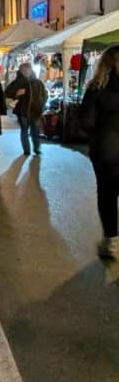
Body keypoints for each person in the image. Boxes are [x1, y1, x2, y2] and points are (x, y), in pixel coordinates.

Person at [79, 44, 119, 259]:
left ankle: (111, 240)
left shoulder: (96, 88)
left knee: (107, 194)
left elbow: (86, 121)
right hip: (107, 149)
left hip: (106, 150)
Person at [5, 62, 47, 156]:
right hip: (22, 111)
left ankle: (36, 148)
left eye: (27, 70)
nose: (26, 72)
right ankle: (26, 150)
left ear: (31, 70)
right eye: (23, 70)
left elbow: (44, 95)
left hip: (35, 110)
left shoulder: (37, 82)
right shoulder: (18, 82)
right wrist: (16, 93)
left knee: (35, 130)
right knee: (24, 130)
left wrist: (42, 105)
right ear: (20, 71)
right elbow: (7, 93)